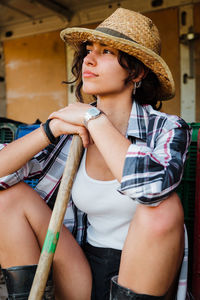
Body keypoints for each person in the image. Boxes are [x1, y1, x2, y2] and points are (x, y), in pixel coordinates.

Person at [0, 7, 191, 300]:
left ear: (137, 71)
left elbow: (151, 189)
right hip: (79, 267)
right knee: (7, 198)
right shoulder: (71, 133)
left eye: (106, 52)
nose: (89, 58)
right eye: (89, 49)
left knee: (164, 208)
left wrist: (94, 118)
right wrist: (49, 130)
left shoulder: (167, 127)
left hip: (143, 273)